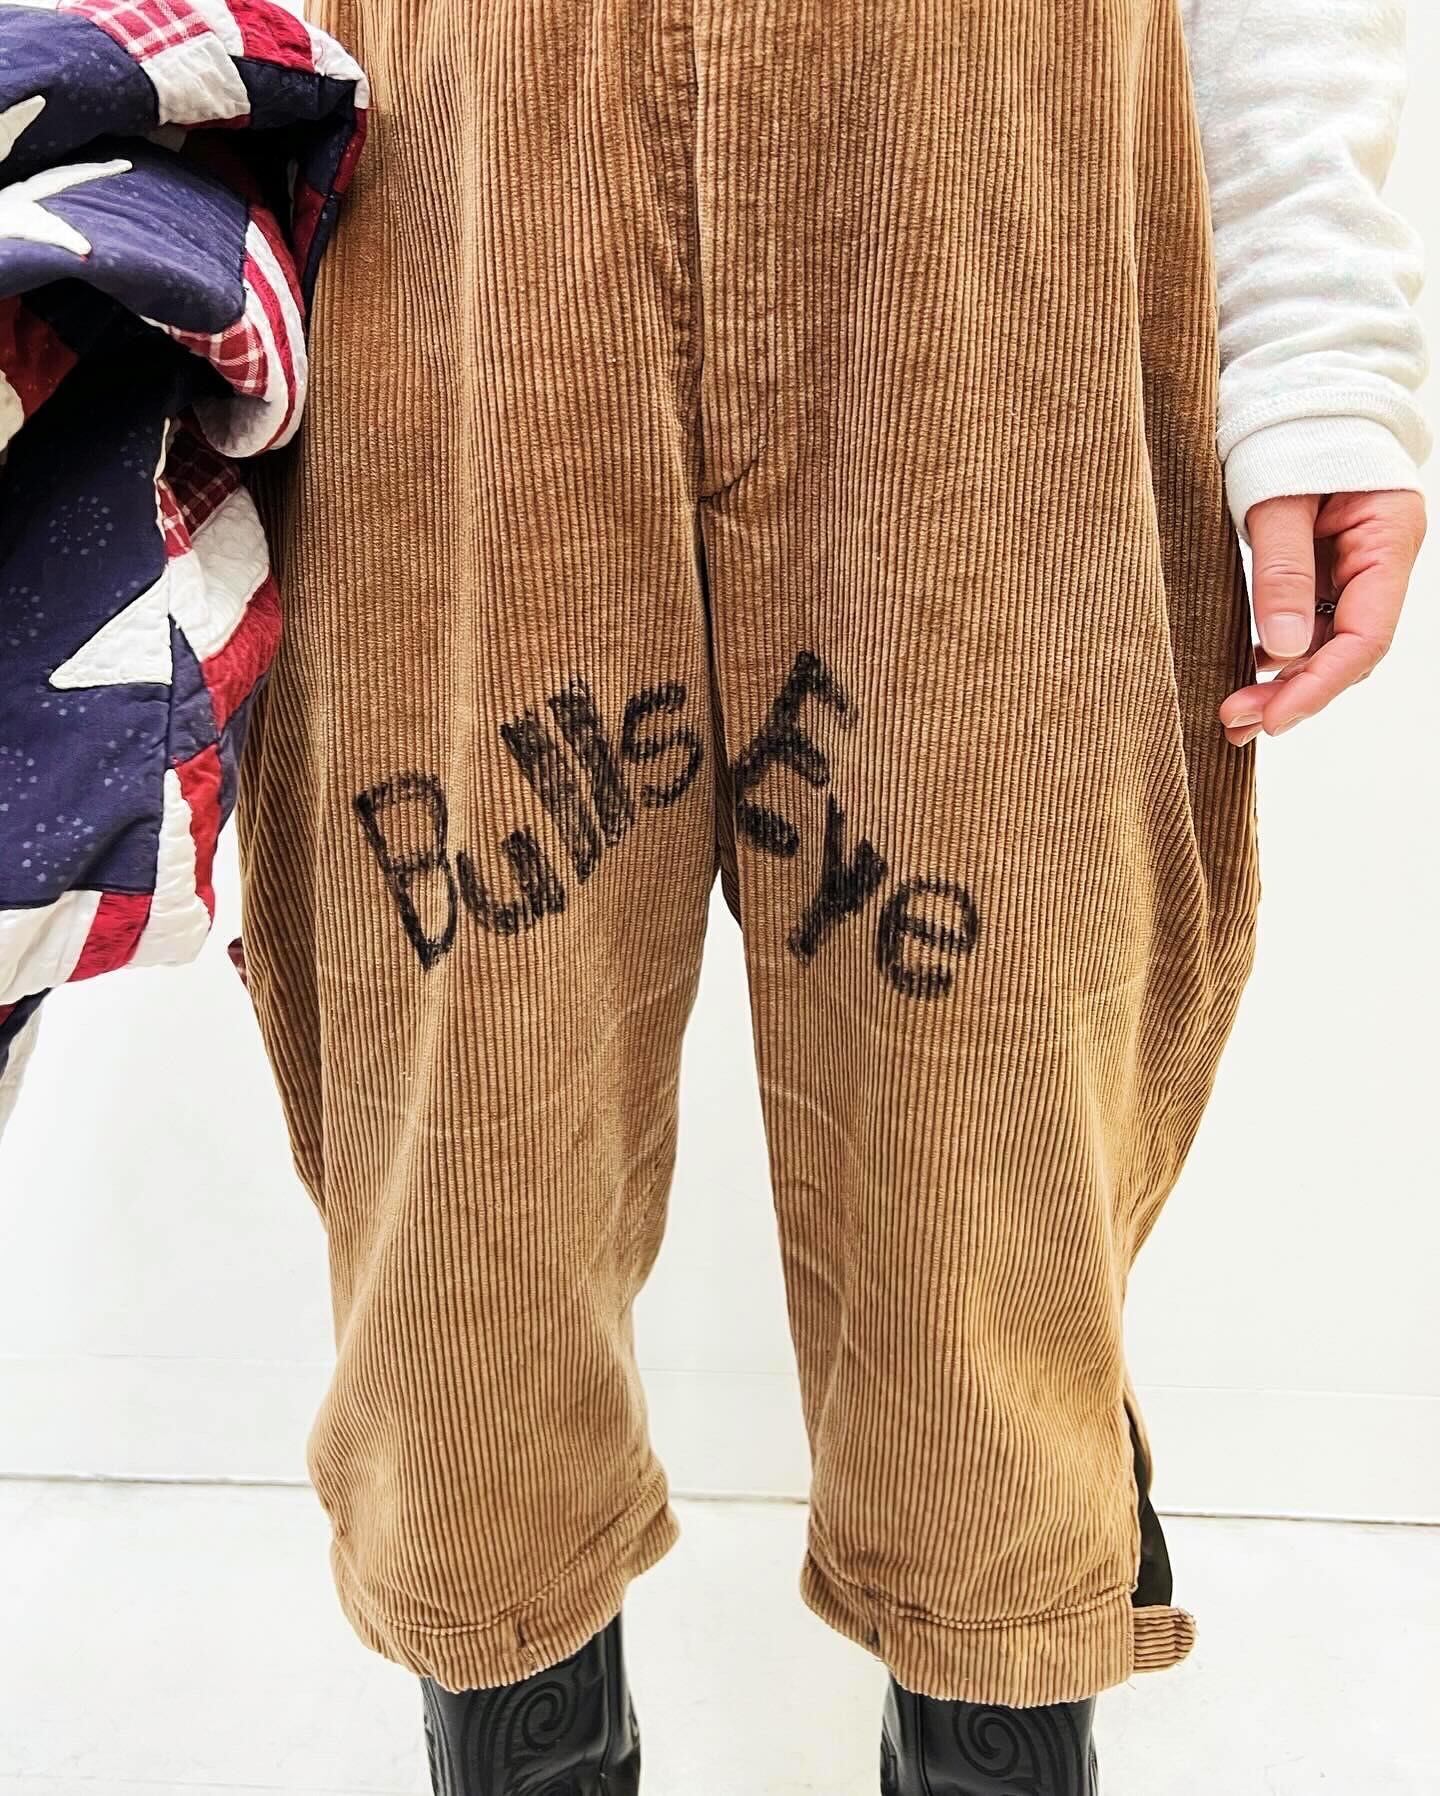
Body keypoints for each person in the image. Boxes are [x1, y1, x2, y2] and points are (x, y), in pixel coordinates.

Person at [234, 0, 1427, 1790]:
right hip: (449, 197)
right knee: (461, 1144)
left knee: (999, 1120)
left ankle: (1000, 1701)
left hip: (1002, 206)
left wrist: (1319, 339)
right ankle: (523, 1731)